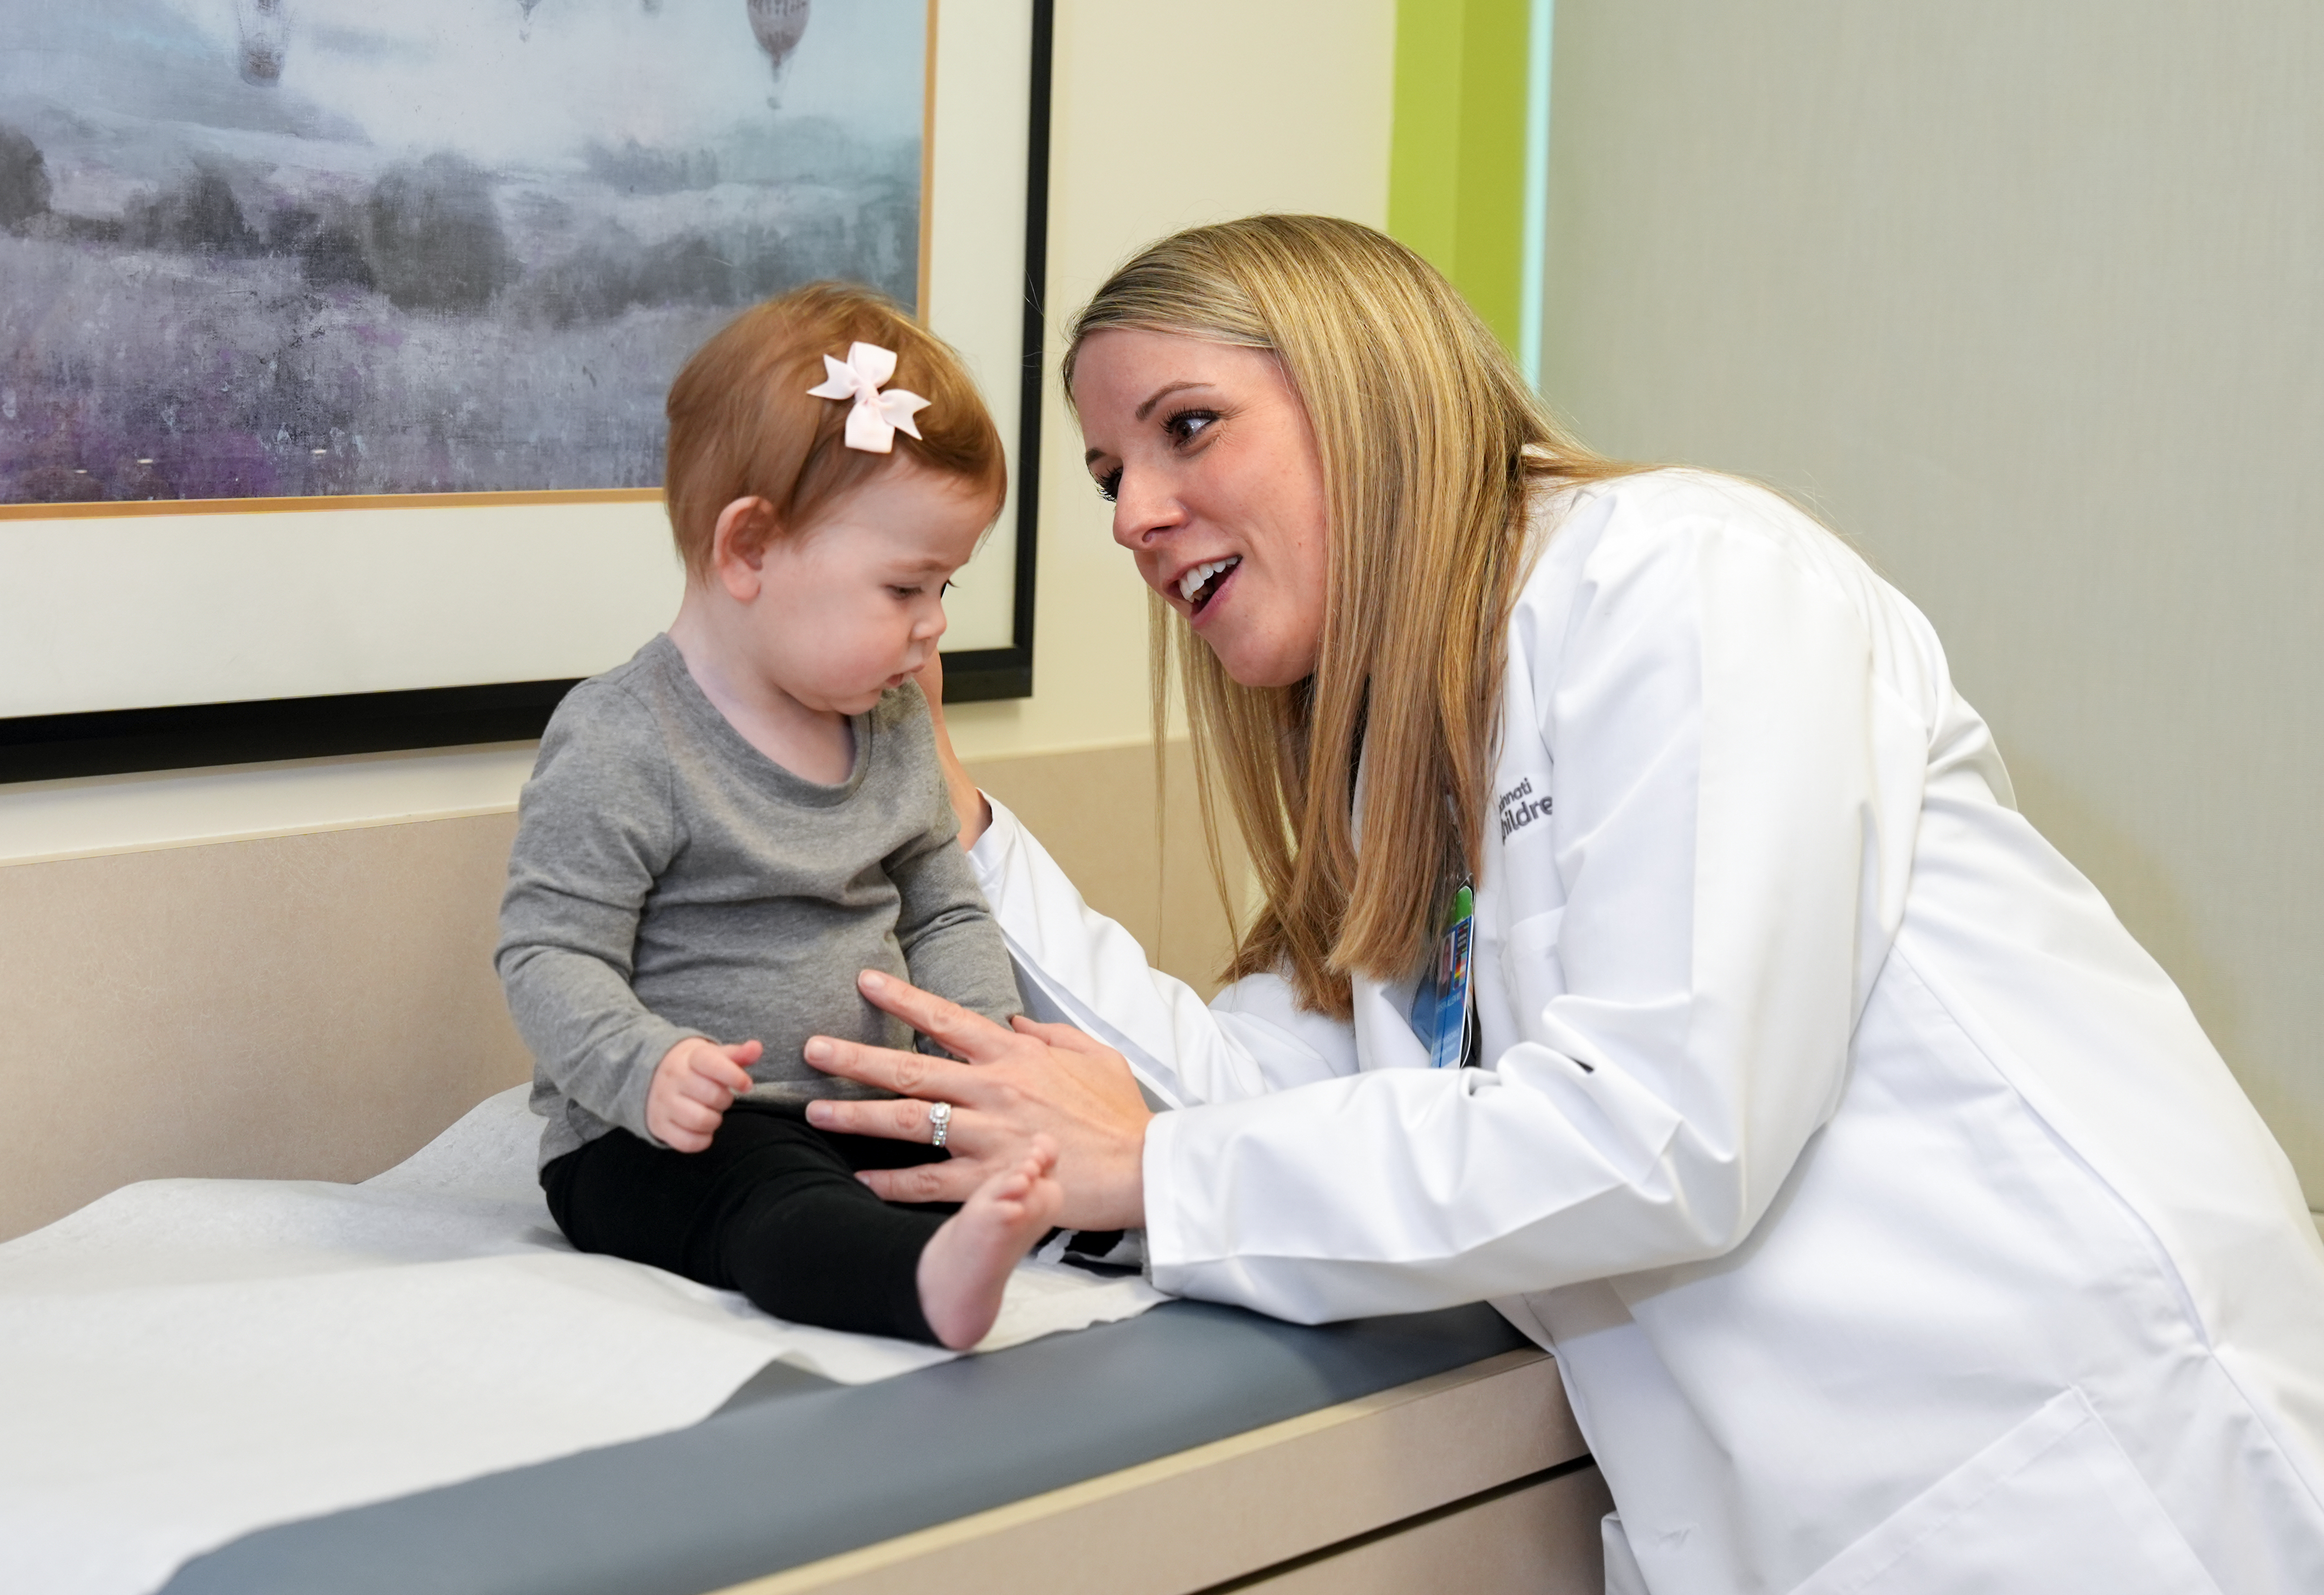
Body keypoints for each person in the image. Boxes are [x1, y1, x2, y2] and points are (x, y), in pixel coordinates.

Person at [794, 217, 2324, 1590]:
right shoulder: (1398, 767)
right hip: (1821, 1520)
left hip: (2083, 1473)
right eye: (1114, 474)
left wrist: (1162, 1177)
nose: (1133, 515)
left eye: (1187, 429)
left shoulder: (1682, 584)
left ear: (1371, 393)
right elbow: (1229, 1099)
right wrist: (954, 819)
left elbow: (1665, 1130)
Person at [494, 283, 1058, 1352]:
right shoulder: (627, 738)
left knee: (987, 1162)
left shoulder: (889, 723)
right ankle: (919, 1285)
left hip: (854, 1115)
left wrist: (985, 1051)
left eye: (948, 588)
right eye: (906, 589)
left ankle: (968, 1236)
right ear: (749, 549)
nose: (933, 627)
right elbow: (548, 952)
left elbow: (942, 909)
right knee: (774, 1207)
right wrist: (646, 1066)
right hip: (669, 1138)